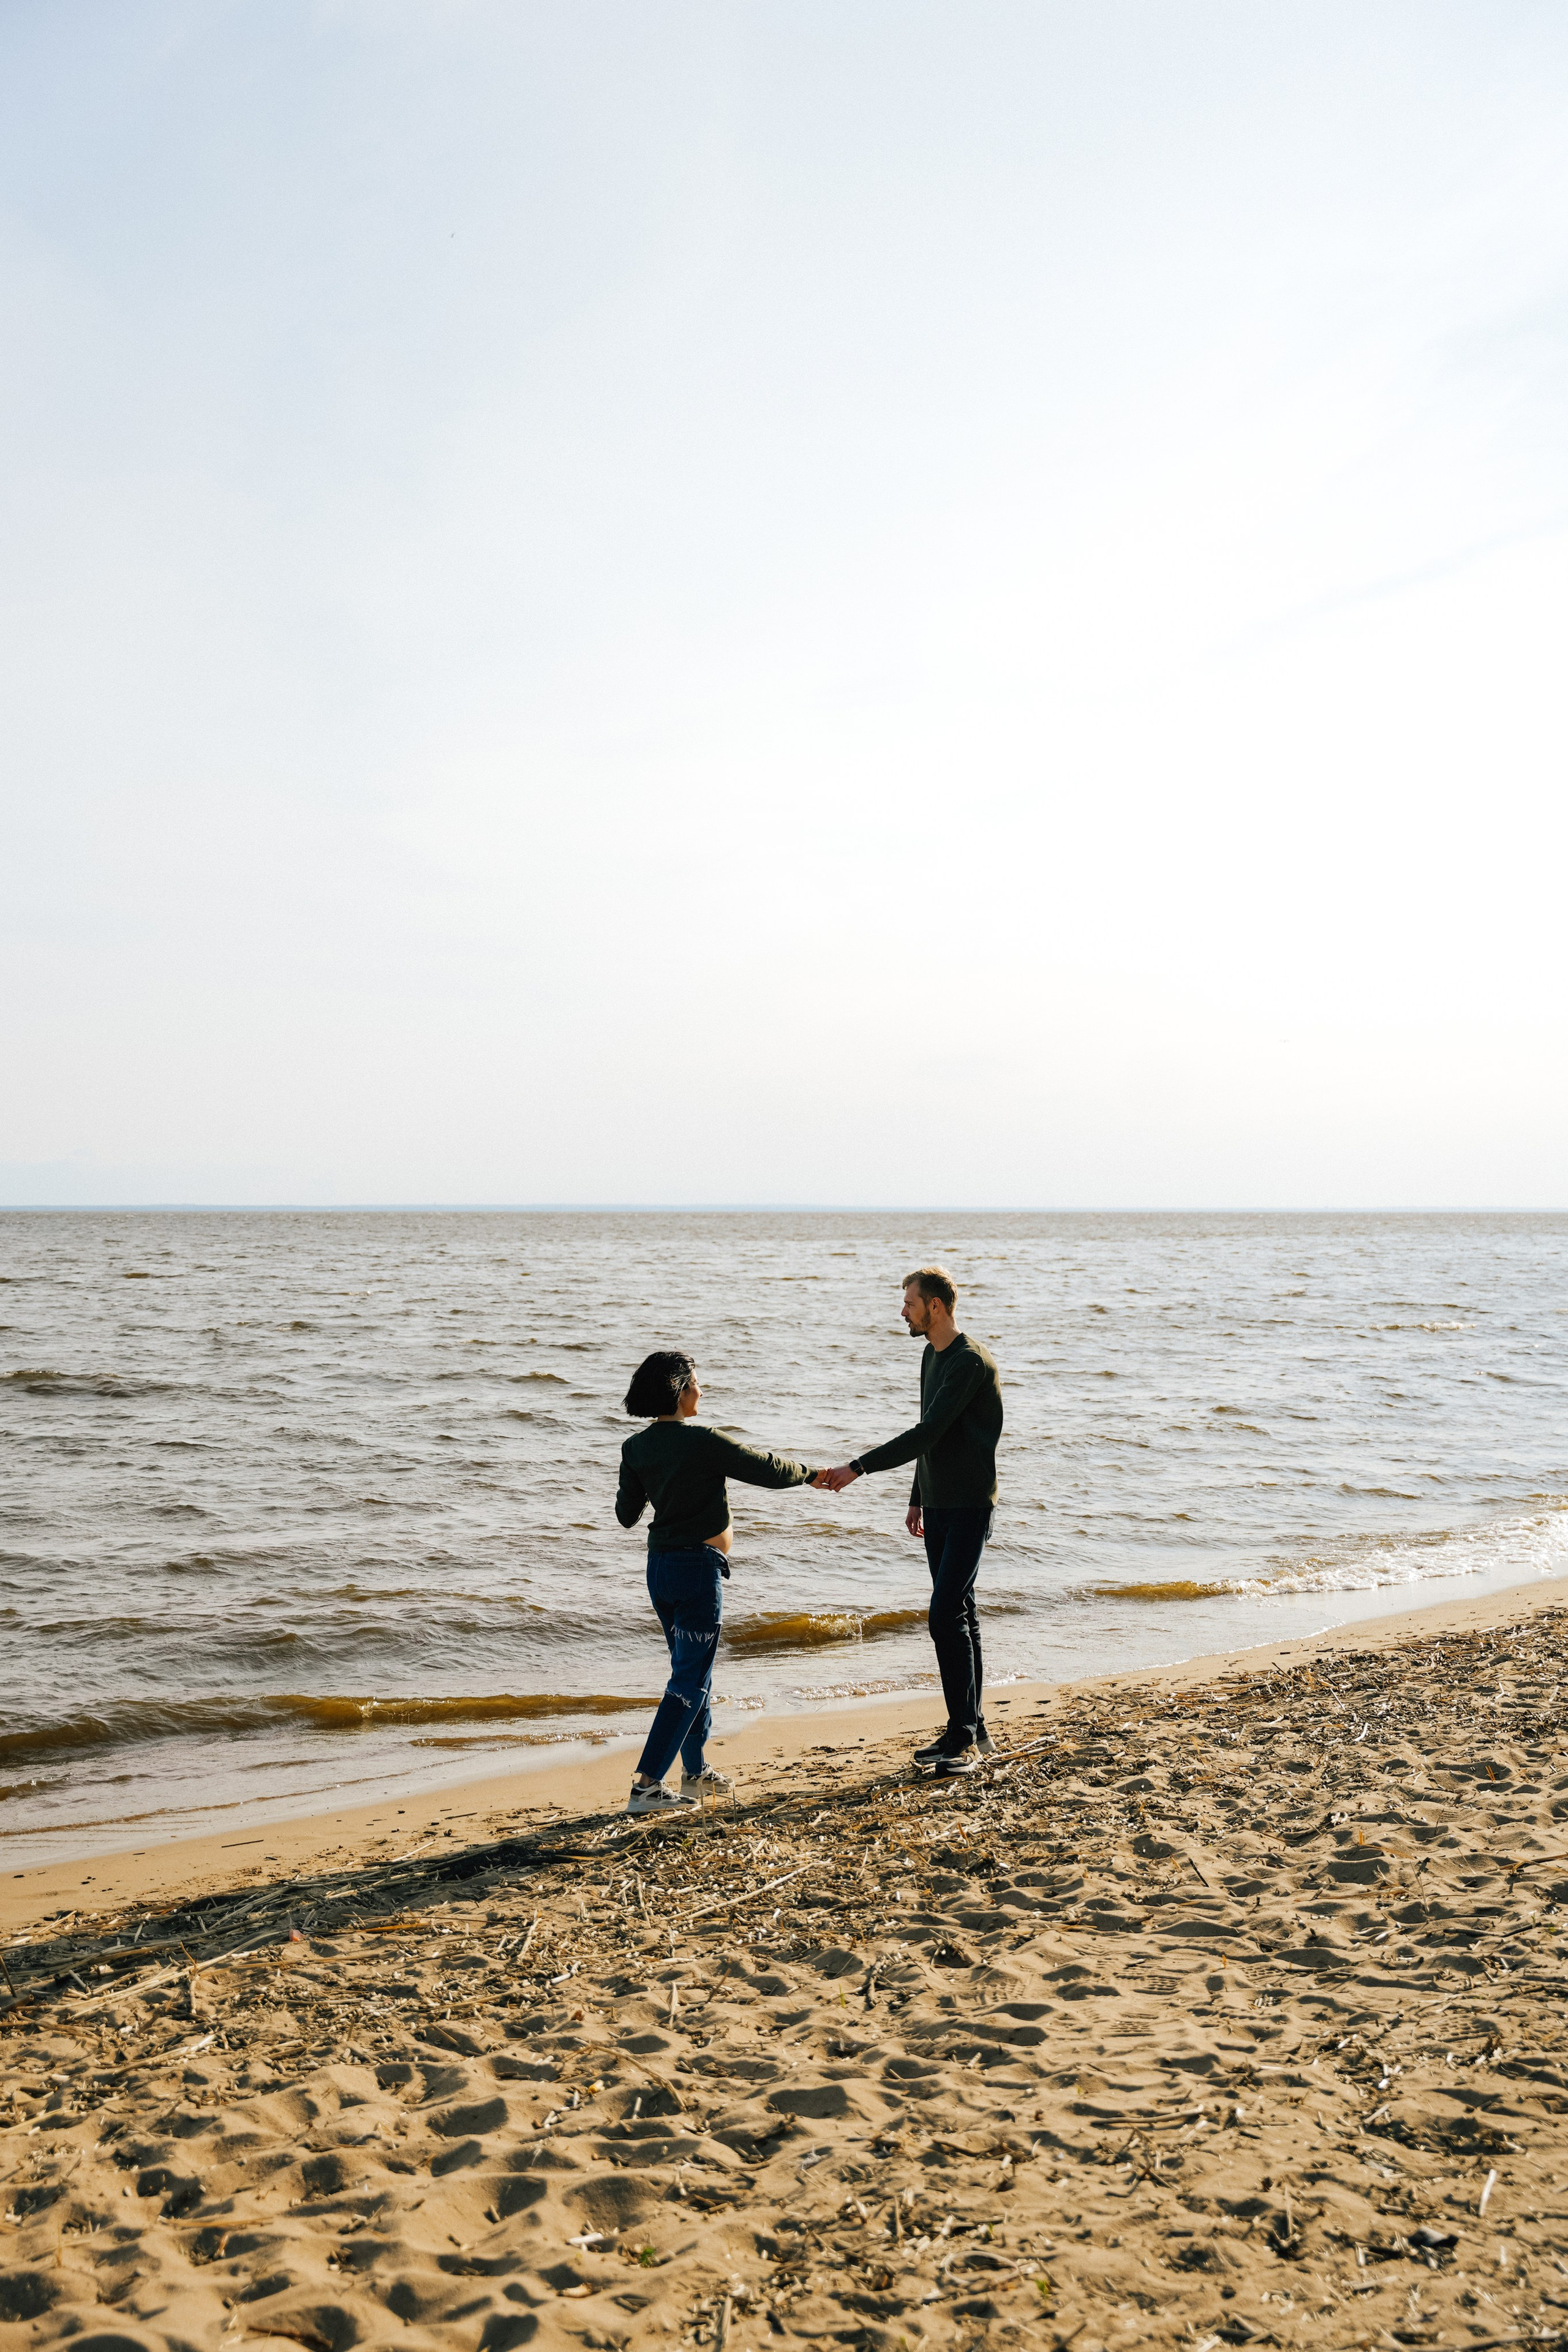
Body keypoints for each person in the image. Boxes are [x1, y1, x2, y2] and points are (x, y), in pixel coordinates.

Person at [616, 1349, 820, 1815]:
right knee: (689, 1678)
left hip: (660, 1571)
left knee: (694, 1673)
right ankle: (647, 1786)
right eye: (695, 1384)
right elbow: (764, 1467)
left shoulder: (635, 1448)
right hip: (695, 1572)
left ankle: (694, 1773)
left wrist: (658, 1480)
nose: (701, 1391)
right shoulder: (703, 1440)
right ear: (680, 1391)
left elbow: (627, 1516)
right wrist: (812, 1475)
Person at [817, 1267, 1003, 1775]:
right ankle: (974, 1727)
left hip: (968, 1506)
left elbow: (925, 1432)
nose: (903, 1311)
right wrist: (918, 1496)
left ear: (935, 1307)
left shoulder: (969, 1363)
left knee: (945, 1615)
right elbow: (933, 1441)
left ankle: (960, 1737)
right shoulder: (931, 1356)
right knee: (961, 1612)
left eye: (910, 1303)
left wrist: (857, 1467)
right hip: (939, 1505)